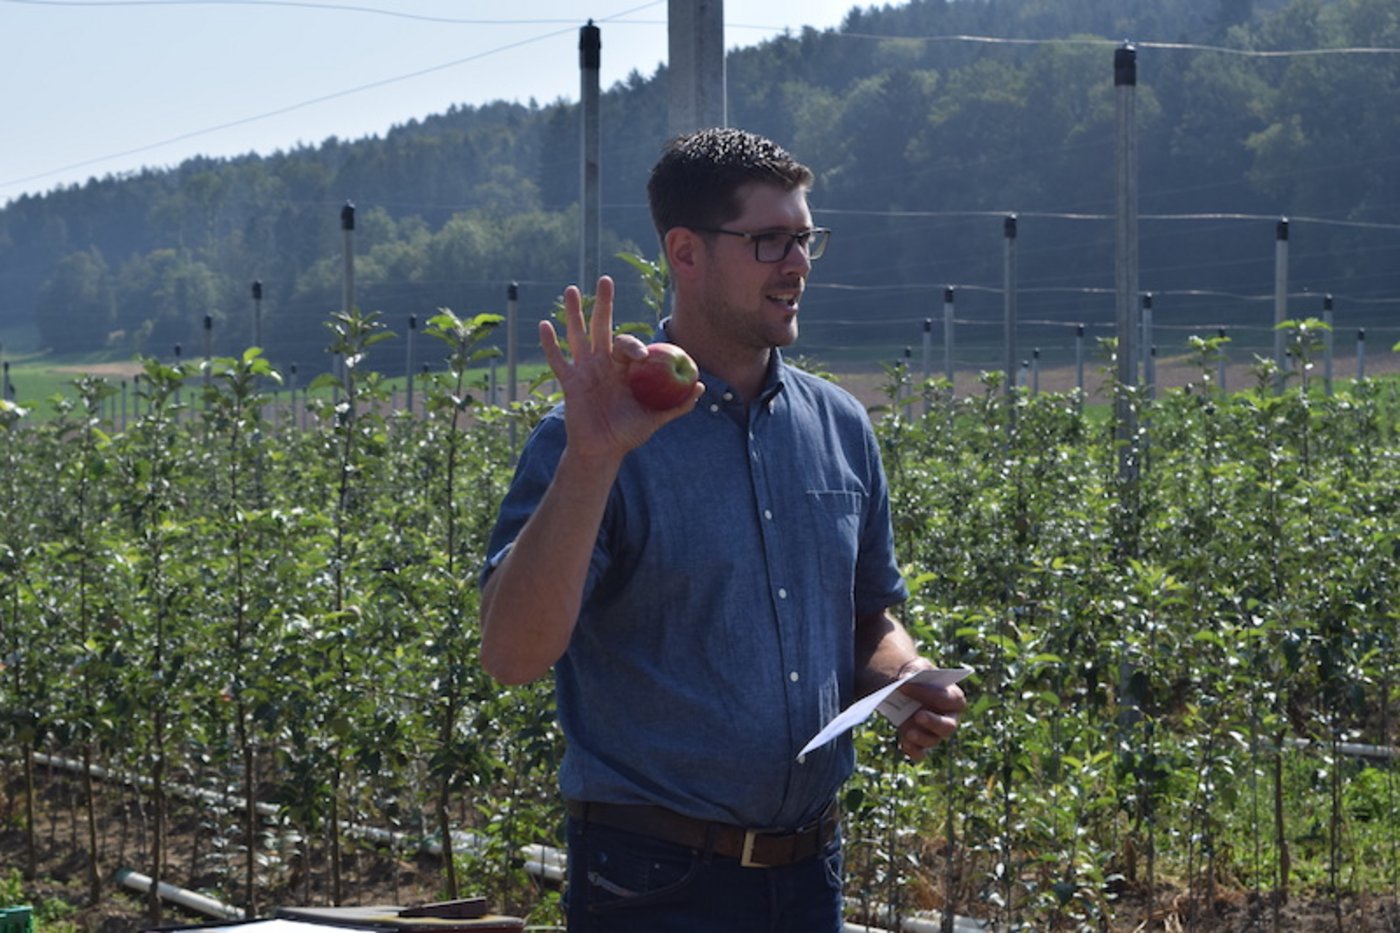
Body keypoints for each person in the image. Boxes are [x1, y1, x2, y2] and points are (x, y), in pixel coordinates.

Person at [478, 127, 966, 932]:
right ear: (686, 251)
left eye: (805, 239)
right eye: (770, 240)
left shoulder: (840, 426)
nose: (799, 263)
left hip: (810, 877)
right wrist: (592, 460)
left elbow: (865, 617)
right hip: (653, 883)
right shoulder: (597, 435)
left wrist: (901, 678)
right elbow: (511, 654)